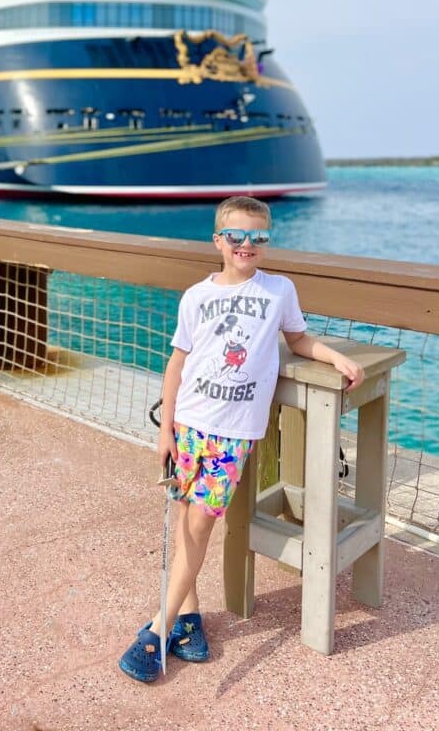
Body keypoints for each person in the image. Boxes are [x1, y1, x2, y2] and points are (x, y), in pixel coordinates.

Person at [118, 195, 365, 682]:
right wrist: (166, 430)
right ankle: (187, 622)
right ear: (219, 240)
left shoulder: (279, 291)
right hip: (190, 423)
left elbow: (297, 341)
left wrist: (335, 357)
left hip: (234, 435)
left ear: (267, 242)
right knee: (186, 522)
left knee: (199, 527)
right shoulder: (196, 296)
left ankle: (156, 630)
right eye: (236, 236)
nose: (246, 244)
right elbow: (177, 362)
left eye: (258, 237)